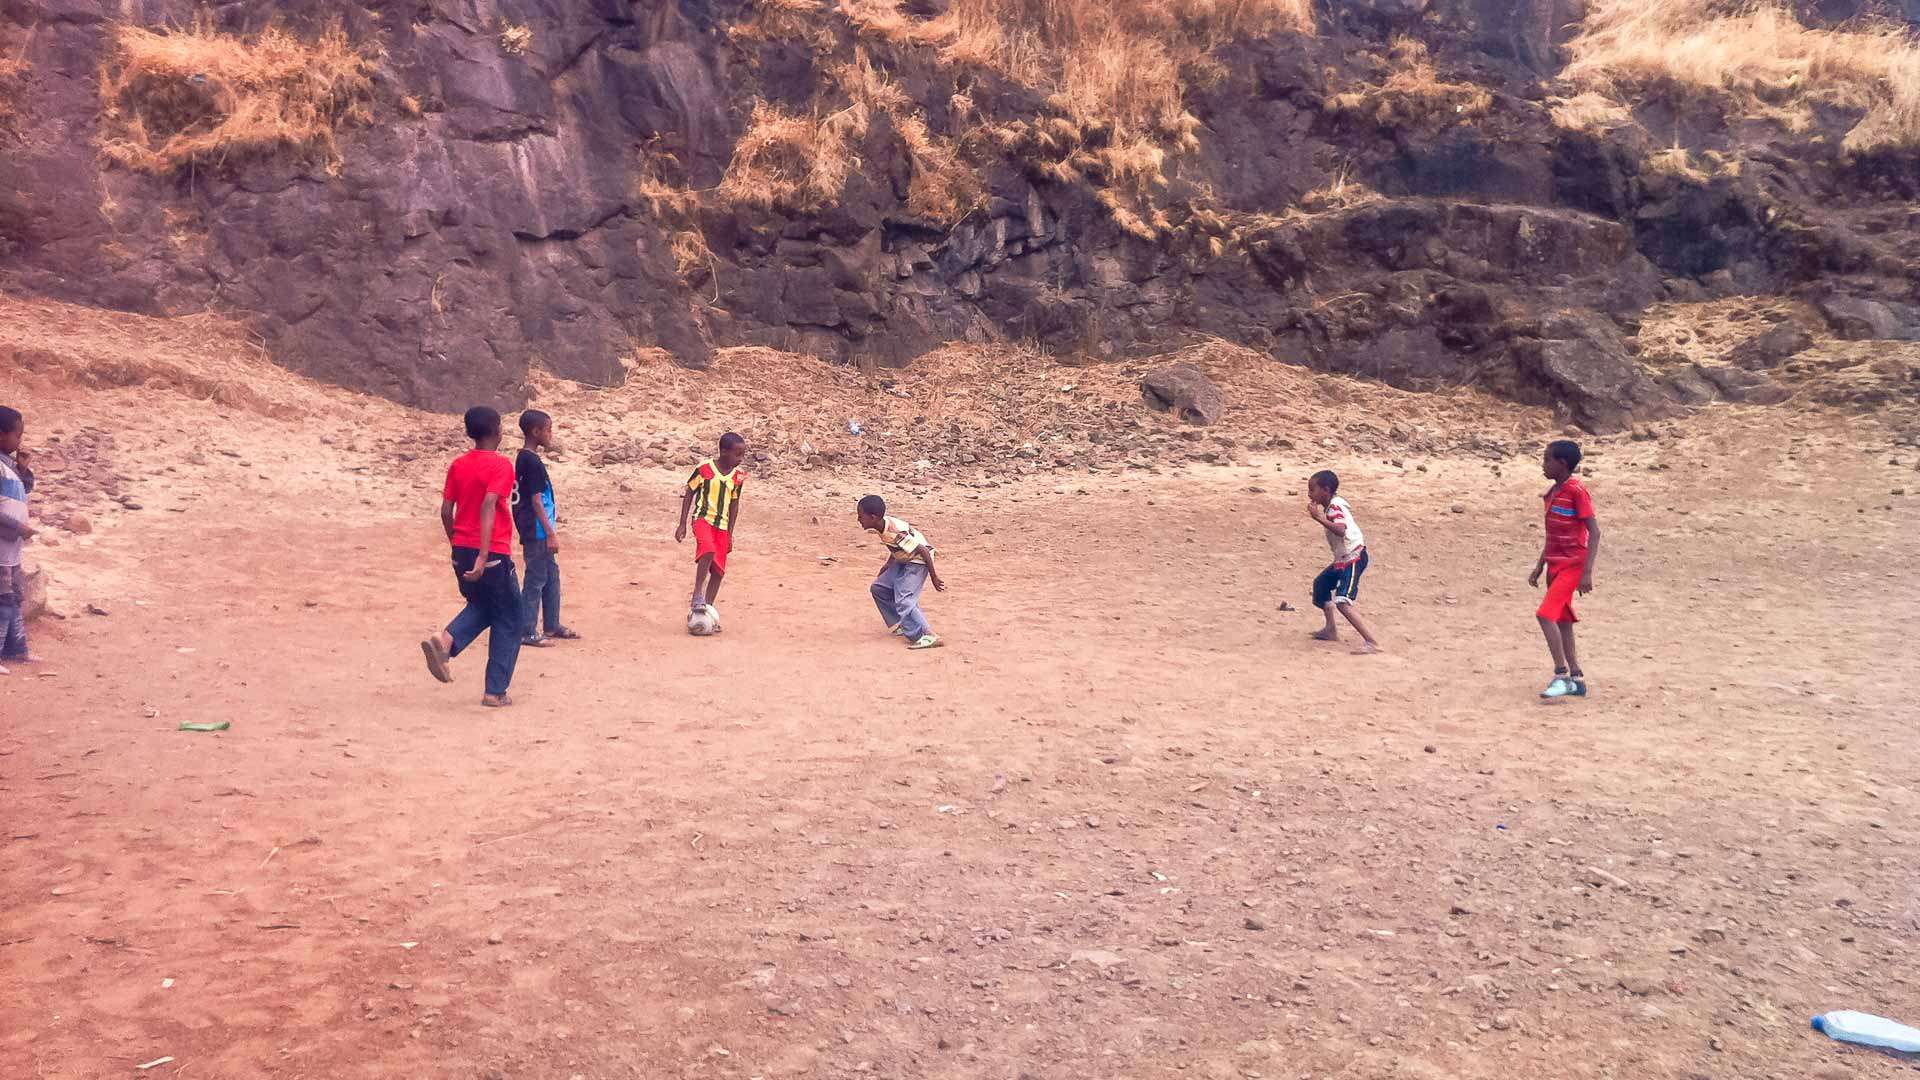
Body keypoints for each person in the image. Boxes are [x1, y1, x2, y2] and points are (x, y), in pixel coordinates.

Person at [419, 407, 523, 707]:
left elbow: (445, 510)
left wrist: (457, 543)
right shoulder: (501, 465)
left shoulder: (459, 464)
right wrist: (483, 554)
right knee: (510, 616)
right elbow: (489, 504)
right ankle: (495, 691)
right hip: (491, 552)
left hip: (461, 548)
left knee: (484, 605)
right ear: (498, 431)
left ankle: (446, 642)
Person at [1530, 439, 1601, 699]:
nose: (1543, 464)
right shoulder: (1552, 493)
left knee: (1544, 615)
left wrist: (1587, 572)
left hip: (1572, 564)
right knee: (1562, 620)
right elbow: (1552, 535)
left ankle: (1560, 675)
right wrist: (1540, 566)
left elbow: (1594, 532)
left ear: (1561, 463)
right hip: (1554, 564)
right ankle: (1577, 678)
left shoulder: (1577, 491)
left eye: (1547, 459)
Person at [513, 409, 578, 647]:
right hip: (538, 530)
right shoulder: (531, 461)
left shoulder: (525, 458)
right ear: (535, 431)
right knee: (536, 578)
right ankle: (527, 630)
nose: (551, 434)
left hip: (539, 528)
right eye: (548, 430)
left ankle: (551, 624)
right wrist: (550, 533)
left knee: (551, 575)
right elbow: (536, 500)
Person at [857, 494, 946, 650]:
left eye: (860, 516)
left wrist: (933, 576)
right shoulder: (882, 525)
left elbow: (923, 550)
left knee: (904, 599)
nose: (858, 520)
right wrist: (888, 564)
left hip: (918, 562)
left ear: (873, 517)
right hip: (904, 559)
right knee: (878, 588)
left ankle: (928, 635)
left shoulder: (894, 532)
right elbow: (897, 547)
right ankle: (901, 624)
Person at [1306, 469, 1381, 654]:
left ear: (1326, 490)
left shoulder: (1335, 507)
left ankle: (1372, 642)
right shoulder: (1332, 506)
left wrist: (1318, 518)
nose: (1309, 494)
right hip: (1343, 558)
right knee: (1321, 585)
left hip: (1353, 557)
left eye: (1312, 490)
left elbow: (1340, 530)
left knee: (1342, 601)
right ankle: (1330, 629)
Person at [675, 432, 747, 627]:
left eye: (742, 455)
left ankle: (707, 611)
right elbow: (689, 492)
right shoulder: (704, 469)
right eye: (737, 454)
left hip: (722, 526)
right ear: (723, 452)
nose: (740, 459)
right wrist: (682, 523)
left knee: (718, 571)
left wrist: (730, 534)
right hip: (703, 519)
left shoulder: (738, 476)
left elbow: (734, 504)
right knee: (707, 549)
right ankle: (697, 594)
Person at [0, 406, 36, 672]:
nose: (20, 441)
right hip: (2, 545)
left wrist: (23, 469)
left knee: (14, 597)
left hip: (11, 546)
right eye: (17, 435)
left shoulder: (8, 464)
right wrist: (18, 526)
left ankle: (17, 649)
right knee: (3, 600)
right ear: (1, 435)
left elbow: (24, 488)